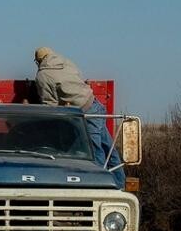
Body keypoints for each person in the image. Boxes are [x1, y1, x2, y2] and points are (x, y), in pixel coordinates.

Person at [35, 47, 124, 188]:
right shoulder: (66, 61)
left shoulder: (43, 75)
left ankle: (99, 188)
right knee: (109, 149)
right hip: (95, 104)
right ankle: (119, 185)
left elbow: (50, 104)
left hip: (85, 112)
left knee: (95, 154)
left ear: (38, 61)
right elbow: (78, 77)